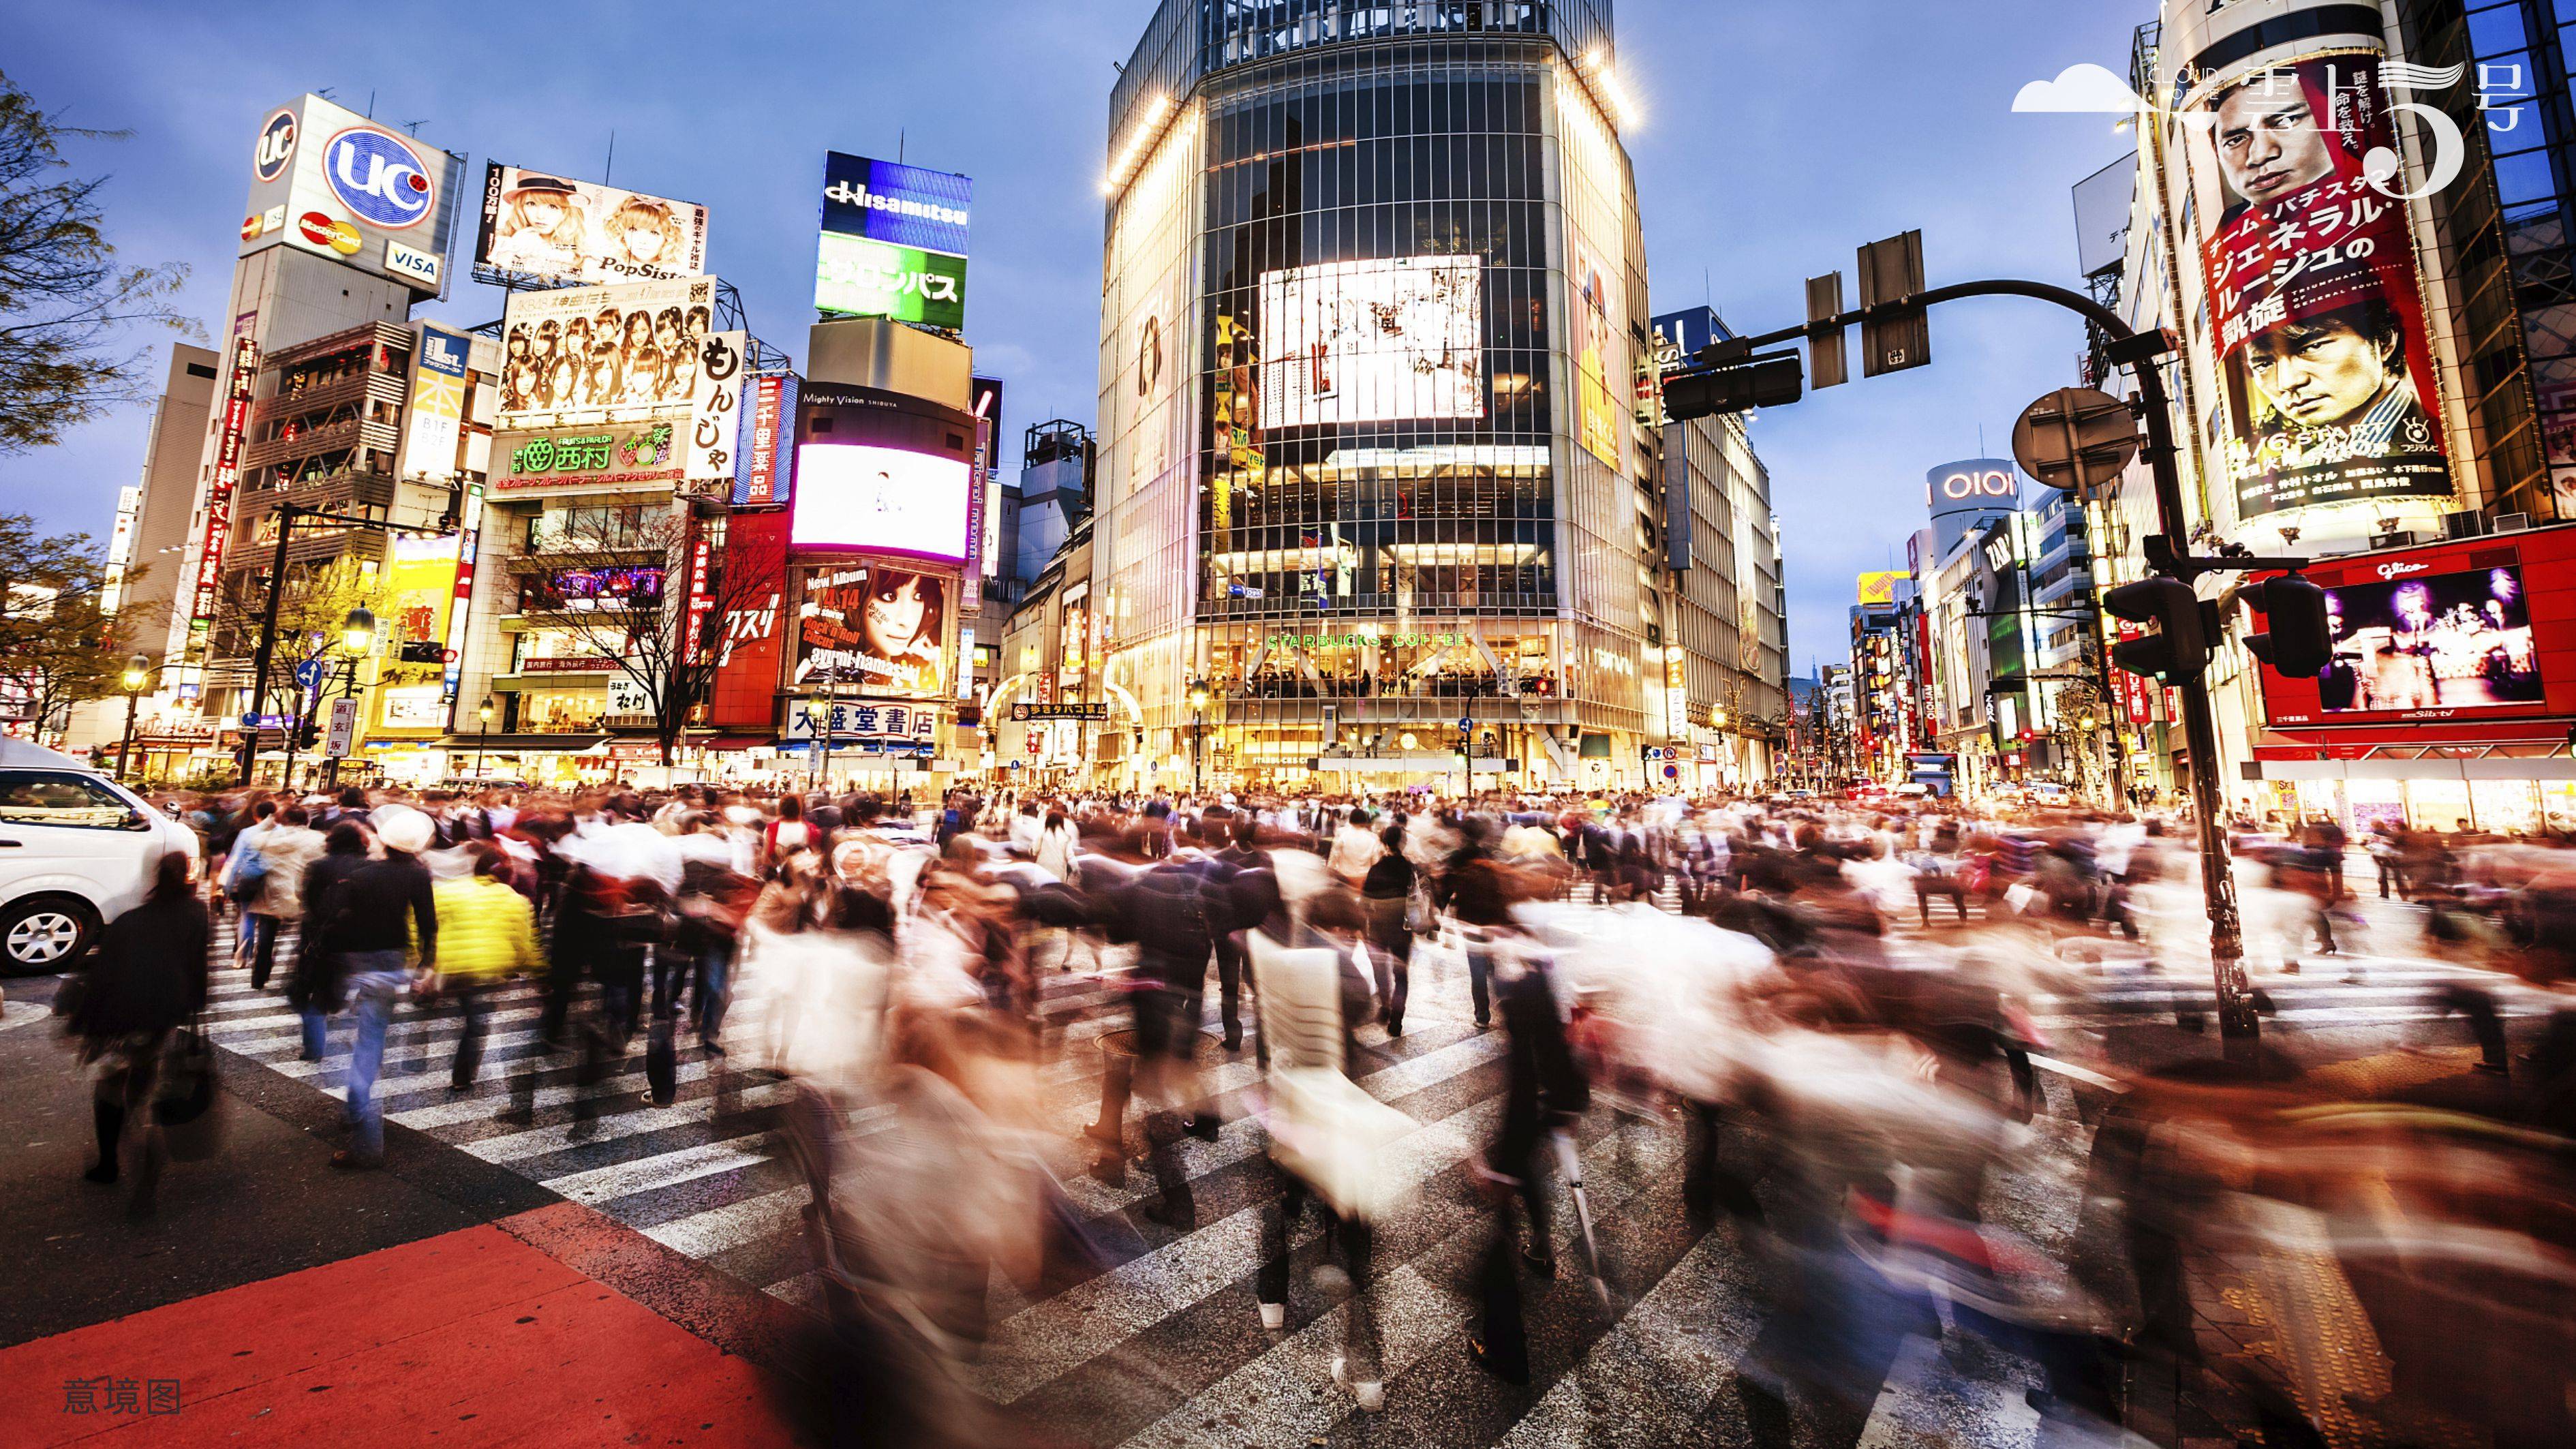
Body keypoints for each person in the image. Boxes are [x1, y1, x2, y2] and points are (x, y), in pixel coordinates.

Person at [67, 852, 209, 1212]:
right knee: (144, 1084)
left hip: (120, 1016)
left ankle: (109, 1164)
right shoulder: (196, 913)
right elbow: (198, 966)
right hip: (163, 1012)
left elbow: (102, 976)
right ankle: (143, 1160)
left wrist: (84, 1026)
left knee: (112, 1086)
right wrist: (195, 1004)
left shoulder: (130, 920)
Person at [307, 805, 440, 1168]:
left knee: (357, 1050)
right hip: (393, 964)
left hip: (356, 965)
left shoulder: (363, 875)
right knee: (369, 1043)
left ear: (385, 840)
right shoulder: (418, 876)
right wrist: (426, 968)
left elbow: (332, 920)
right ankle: (355, 1112)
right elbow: (428, 925)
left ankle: (366, 1141)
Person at [431, 842, 542, 1090]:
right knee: (476, 1025)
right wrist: (537, 971)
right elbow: (525, 944)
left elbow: (427, 924)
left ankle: (458, 1065)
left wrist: (424, 960)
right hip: (487, 971)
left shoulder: (449, 890)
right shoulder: (515, 900)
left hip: (453, 969)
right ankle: (462, 1075)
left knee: (468, 1016)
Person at [243, 804, 325, 990]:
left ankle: (260, 976)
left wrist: (269, 822)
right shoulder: (318, 839)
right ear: (307, 820)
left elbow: (254, 840)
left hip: (272, 894)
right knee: (305, 939)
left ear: (283, 820)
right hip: (302, 895)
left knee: (266, 938)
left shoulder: (271, 838)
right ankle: (299, 977)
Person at [1358, 825, 1415, 1035]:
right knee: (1401, 974)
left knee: (1380, 969)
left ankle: (1385, 1004)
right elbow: (1418, 899)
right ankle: (1397, 1020)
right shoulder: (1409, 868)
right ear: (1403, 842)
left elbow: (1363, 903)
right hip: (1401, 927)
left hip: (1377, 928)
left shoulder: (1376, 869)